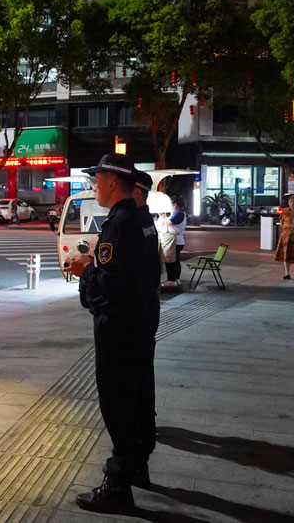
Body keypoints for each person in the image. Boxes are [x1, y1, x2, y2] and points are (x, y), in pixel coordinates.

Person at [63, 153, 154, 513]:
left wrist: (84, 269)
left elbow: (111, 286)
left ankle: (118, 485)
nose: (94, 187)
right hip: (143, 320)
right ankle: (138, 465)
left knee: (117, 402)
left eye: (96, 181)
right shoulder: (142, 219)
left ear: (112, 183)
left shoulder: (118, 224)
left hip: (119, 325)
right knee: (139, 394)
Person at [131, 169, 161, 487]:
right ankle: (146, 436)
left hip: (138, 316)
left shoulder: (132, 223)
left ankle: (138, 457)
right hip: (148, 311)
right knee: (143, 378)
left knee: (135, 384)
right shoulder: (147, 222)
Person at [274, 195, 294, 280]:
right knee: (286, 254)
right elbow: (281, 222)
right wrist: (286, 231)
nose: (292, 203)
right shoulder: (284, 211)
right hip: (286, 236)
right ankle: (287, 273)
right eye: (290, 202)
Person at [161, 198, 187, 286]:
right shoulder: (179, 213)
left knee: (170, 261)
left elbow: (170, 222)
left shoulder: (178, 213)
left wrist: (162, 218)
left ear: (175, 204)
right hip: (177, 241)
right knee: (175, 261)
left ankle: (171, 280)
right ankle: (176, 279)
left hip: (174, 241)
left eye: (170, 204)